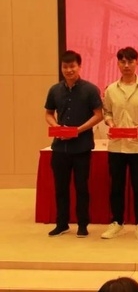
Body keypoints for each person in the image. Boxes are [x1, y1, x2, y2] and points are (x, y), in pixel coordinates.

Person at [101, 47, 138, 240]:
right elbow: (106, 112)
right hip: (117, 145)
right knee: (116, 186)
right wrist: (110, 123)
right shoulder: (111, 89)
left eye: (130, 62)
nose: (126, 65)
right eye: (123, 62)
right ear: (118, 64)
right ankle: (116, 222)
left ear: (137, 63)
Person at [44, 50, 103, 237]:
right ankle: (62, 224)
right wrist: (56, 127)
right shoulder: (55, 90)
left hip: (81, 147)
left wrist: (78, 130)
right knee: (60, 188)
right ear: (61, 68)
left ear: (79, 67)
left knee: (81, 187)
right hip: (59, 147)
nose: (69, 70)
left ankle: (82, 224)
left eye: (72, 66)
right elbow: (48, 113)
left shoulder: (90, 89)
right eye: (65, 67)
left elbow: (99, 115)